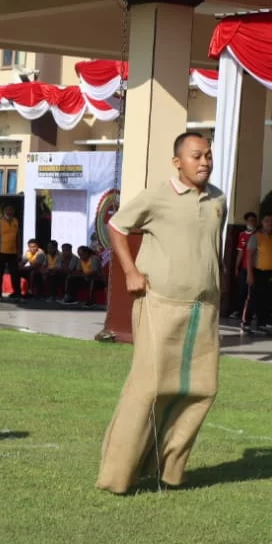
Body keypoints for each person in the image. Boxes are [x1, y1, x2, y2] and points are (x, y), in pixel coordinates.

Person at [98, 132, 226, 494]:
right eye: (197, 156)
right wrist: (130, 272)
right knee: (149, 387)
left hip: (205, 308)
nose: (204, 162)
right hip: (160, 303)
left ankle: (169, 472)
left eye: (208, 156)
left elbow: (213, 249)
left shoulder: (218, 199)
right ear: (178, 162)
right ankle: (117, 478)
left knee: (202, 389)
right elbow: (117, 227)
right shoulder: (157, 196)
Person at [246, 211, 272, 334]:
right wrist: (249, 274)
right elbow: (249, 256)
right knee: (254, 298)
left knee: (268, 298)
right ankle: (246, 321)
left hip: (271, 272)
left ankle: (262, 322)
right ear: (262, 222)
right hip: (258, 272)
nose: (270, 224)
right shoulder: (256, 237)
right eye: (267, 221)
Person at [227, 211, 259, 320]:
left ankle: (252, 312)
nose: (252, 222)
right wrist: (237, 267)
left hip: (255, 267)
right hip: (244, 267)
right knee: (242, 290)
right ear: (246, 221)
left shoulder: (258, 235)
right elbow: (240, 252)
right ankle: (239, 311)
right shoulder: (242, 235)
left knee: (253, 291)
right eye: (250, 220)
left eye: (254, 220)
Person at [0, 204, 21, 300]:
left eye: (11, 210)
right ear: (4, 211)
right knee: (0, 273)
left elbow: (18, 237)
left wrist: (18, 251)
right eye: (8, 210)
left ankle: (17, 293)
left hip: (13, 252)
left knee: (15, 273)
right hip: (2, 252)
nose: (10, 212)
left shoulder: (16, 221)